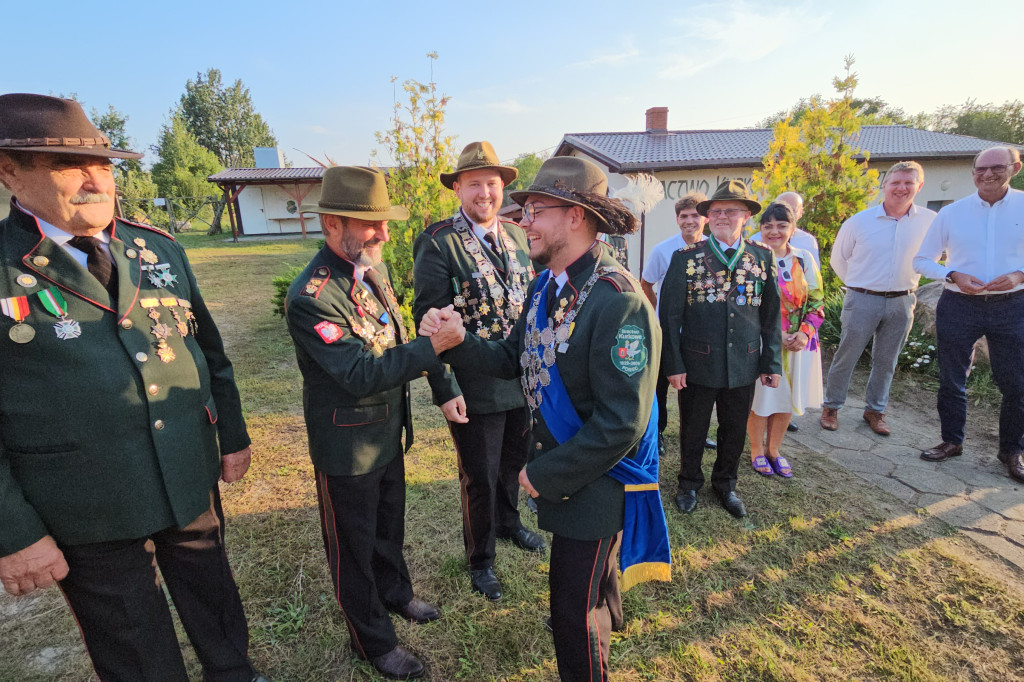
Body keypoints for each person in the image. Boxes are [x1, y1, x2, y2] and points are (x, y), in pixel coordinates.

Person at [0, 93, 263, 682]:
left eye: (106, 164)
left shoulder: (156, 248)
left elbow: (209, 353)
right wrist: (13, 534)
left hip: (185, 471)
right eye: (69, 166)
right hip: (88, 501)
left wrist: (233, 436)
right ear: (9, 170)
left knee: (214, 597)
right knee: (133, 642)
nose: (97, 180)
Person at [421, 156, 670, 681]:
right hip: (569, 474)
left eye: (535, 210)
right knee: (586, 596)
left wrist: (541, 475)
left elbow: (621, 425)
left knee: (569, 614)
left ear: (576, 216)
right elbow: (515, 359)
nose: (524, 221)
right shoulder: (544, 286)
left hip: (596, 485)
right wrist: (460, 343)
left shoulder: (616, 302)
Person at [284, 166, 442, 680]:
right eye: (371, 224)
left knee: (387, 529)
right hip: (347, 448)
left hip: (386, 435)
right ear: (332, 223)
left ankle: (396, 595)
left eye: (385, 222)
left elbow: (391, 339)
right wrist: (431, 349)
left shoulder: (371, 271)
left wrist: (422, 342)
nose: (384, 235)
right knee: (353, 549)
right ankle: (372, 641)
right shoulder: (312, 296)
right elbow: (359, 373)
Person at [412, 141, 545, 603]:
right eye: (474, 184)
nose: (484, 193)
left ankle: (510, 525)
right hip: (472, 382)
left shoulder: (516, 236)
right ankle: (481, 559)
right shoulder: (439, 240)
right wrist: (443, 387)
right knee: (480, 476)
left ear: (502, 187)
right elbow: (428, 318)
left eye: (492, 183)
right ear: (458, 189)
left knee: (514, 464)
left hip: (521, 379)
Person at [660, 180, 782, 518]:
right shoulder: (686, 258)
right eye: (716, 211)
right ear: (707, 217)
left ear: (746, 216)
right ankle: (688, 483)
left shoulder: (762, 256)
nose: (722, 216)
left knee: (734, 429)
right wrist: (674, 363)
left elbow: (771, 316)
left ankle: (726, 484)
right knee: (693, 428)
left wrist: (771, 363)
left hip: (744, 362)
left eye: (731, 210)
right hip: (698, 362)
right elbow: (669, 317)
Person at [913, 146, 1024, 482]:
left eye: (997, 167)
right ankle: (951, 441)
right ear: (972, 172)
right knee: (952, 378)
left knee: (1017, 384)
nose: (988, 174)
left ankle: (1012, 450)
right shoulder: (952, 213)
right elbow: (922, 260)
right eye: (981, 169)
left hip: (1012, 305)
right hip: (960, 304)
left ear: (1014, 168)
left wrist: (1020, 275)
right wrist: (953, 274)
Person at [820, 161, 935, 436]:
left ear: (919, 186)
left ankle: (875, 410)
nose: (901, 188)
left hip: (902, 300)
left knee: (887, 359)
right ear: (885, 186)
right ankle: (831, 407)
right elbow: (838, 259)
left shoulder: (930, 222)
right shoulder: (860, 222)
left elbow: (936, 256)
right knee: (847, 355)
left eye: (908, 183)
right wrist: (859, 286)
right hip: (863, 298)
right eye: (895, 182)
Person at [746, 202, 825, 478]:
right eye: (767, 226)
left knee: (787, 399)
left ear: (792, 229)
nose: (774, 231)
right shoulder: (752, 258)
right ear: (760, 229)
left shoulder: (803, 259)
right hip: (763, 343)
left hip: (799, 345)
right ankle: (756, 450)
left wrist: (804, 332)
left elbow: (817, 301)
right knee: (761, 400)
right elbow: (743, 306)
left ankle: (774, 450)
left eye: (781, 225)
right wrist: (775, 335)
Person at [640, 192, 717, 452]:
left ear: (705, 218)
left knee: (697, 391)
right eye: (684, 216)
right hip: (667, 332)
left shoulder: (715, 248)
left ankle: (697, 433)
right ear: (677, 219)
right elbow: (646, 283)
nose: (689, 221)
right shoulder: (663, 250)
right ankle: (659, 432)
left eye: (695, 215)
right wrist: (655, 315)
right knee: (659, 386)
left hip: (700, 334)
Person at [750, 191, 820, 267]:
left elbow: (814, 276)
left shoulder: (808, 243)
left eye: (792, 210)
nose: (774, 232)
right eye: (768, 226)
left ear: (800, 212)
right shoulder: (753, 243)